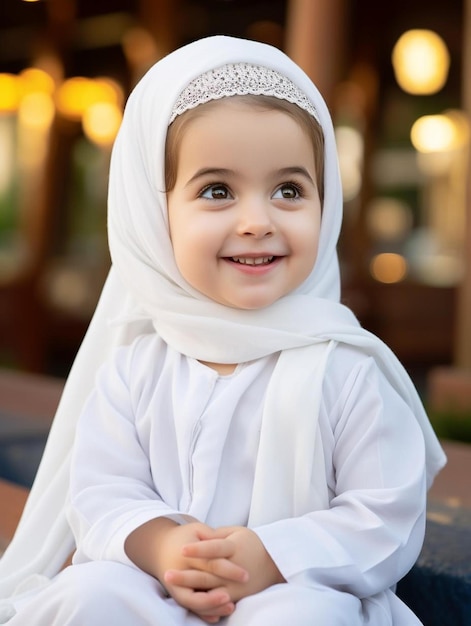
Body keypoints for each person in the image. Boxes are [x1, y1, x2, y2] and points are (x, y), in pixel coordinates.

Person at [0, 35, 446, 625]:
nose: (257, 221)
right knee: (92, 597)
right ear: (156, 216)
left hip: (297, 588)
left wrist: (272, 556)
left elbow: (386, 515)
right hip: (155, 589)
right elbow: (100, 492)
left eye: (289, 190)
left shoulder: (347, 368)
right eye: (217, 191)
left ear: (327, 201)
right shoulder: (137, 366)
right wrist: (160, 544)